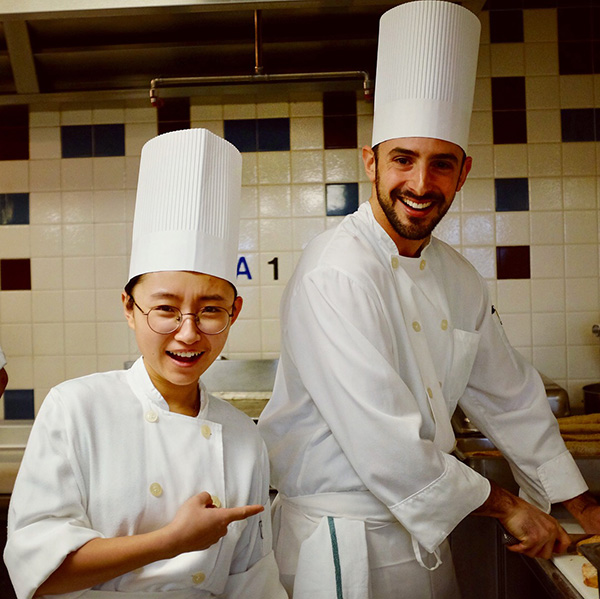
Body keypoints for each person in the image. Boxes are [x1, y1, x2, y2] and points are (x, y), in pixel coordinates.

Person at [257, 2, 600, 598]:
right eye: (402, 160)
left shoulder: (458, 276)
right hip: (343, 546)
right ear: (370, 162)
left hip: (424, 541)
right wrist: (507, 505)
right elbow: (381, 439)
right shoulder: (336, 271)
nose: (420, 184)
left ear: (462, 172)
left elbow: (511, 395)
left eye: (440, 164)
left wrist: (579, 501)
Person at [4, 129, 287, 599]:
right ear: (129, 308)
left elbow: (252, 581)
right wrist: (172, 542)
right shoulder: (76, 408)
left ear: (234, 313)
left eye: (211, 309)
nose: (189, 332)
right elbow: (38, 574)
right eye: (166, 309)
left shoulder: (242, 437)